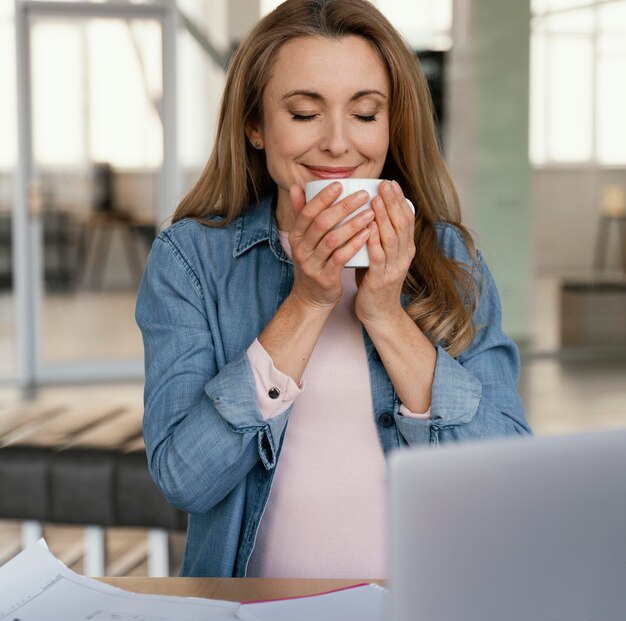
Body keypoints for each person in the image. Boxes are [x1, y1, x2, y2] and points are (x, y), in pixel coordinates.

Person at [135, 0, 531, 579]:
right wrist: (307, 304)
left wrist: (388, 318)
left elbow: (506, 482)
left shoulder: (450, 257)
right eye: (303, 113)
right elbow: (185, 479)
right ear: (255, 126)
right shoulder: (191, 261)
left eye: (366, 114)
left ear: (391, 127)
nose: (339, 144)